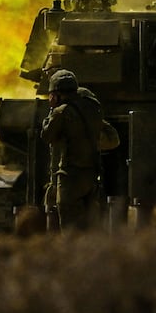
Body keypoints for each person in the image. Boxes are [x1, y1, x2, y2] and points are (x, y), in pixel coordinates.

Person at [39, 68, 107, 232]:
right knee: (90, 227)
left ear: (56, 95)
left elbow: (46, 135)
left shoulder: (61, 113)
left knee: (69, 228)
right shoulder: (92, 108)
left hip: (70, 178)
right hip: (91, 175)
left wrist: (50, 112)